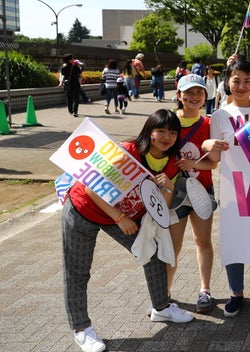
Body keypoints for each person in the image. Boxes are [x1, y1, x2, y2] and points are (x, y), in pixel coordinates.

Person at [62, 110, 193, 352]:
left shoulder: (172, 163)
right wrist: (119, 217)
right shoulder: (127, 152)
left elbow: (159, 210)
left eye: (172, 132)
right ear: (149, 131)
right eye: (160, 131)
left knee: (152, 254)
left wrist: (168, 189)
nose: (166, 137)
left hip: (122, 215)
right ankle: (81, 328)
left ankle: (161, 308)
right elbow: (92, 188)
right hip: (84, 208)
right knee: (78, 271)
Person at [206, 56, 250, 322]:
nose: (242, 86)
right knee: (233, 242)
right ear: (228, 82)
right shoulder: (220, 115)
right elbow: (213, 161)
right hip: (232, 189)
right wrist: (211, 147)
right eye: (237, 80)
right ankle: (236, 294)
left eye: (248, 81)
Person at [168, 74, 219, 314]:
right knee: (172, 246)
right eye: (188, 93)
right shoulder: (168, 122)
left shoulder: (209, 124)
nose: (194, 97)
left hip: (202, 190)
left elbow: (213, 164)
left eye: (199, 93)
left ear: (205, 97)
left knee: (202, 241)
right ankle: (164, 295)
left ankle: (205, 290)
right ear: (179, 96)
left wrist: (194, 166)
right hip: (174, 194)